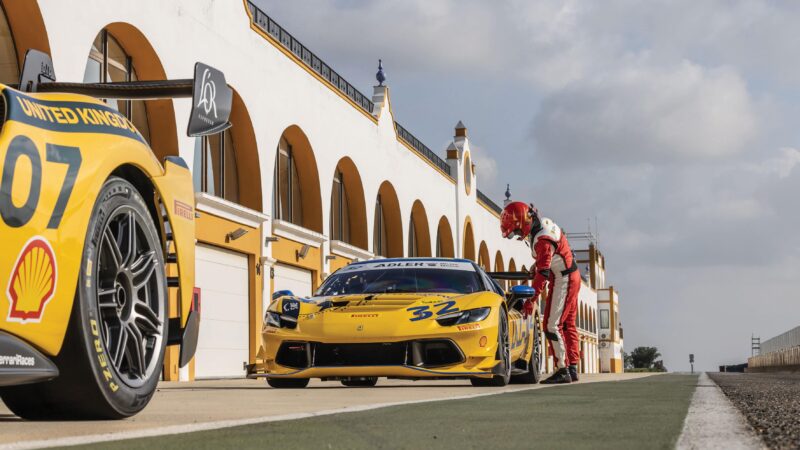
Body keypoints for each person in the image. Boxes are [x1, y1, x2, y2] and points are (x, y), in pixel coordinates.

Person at [501, 201, 580, 384]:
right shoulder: (542, 227)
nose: (519, 236)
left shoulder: (542, 241)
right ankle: (572, 367)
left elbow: (543, 273)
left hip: (563, 278)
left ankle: (562, 369)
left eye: (518, 231)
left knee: (552, 325)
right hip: (568, 275)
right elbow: (549, 259)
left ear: (523, 223)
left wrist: (531, 300)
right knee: (567, 324)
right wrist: (537, 267)